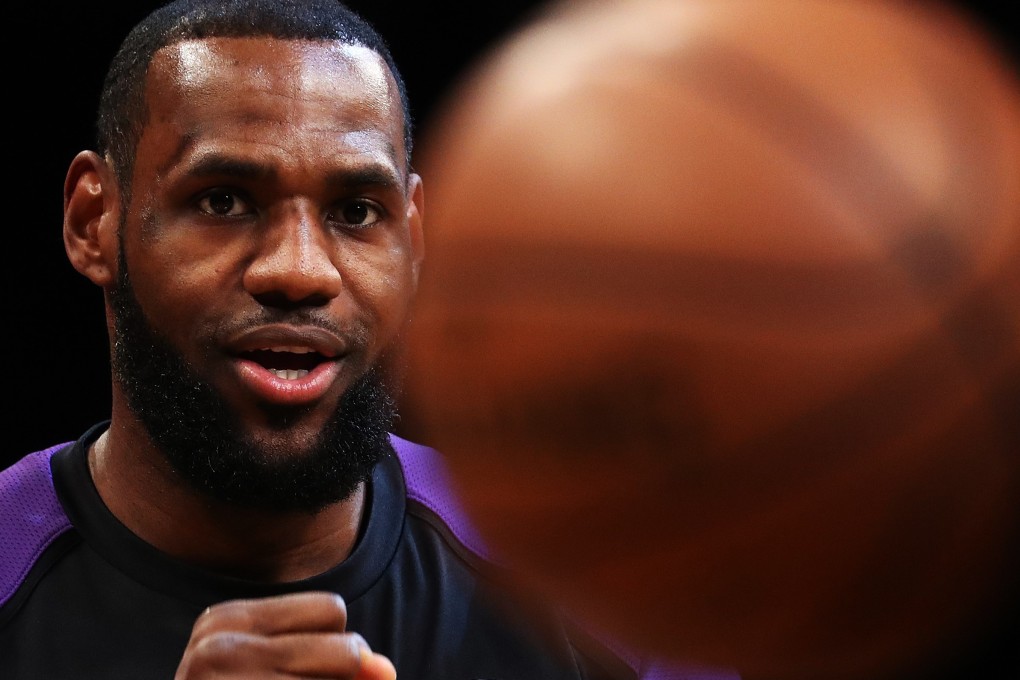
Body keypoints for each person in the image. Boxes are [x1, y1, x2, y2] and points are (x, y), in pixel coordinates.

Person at [0, 2, 739, 679]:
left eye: (356, 211)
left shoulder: (578, 566)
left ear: (414, 241)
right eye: (222, 201)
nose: (299, 270)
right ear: (92, 220)